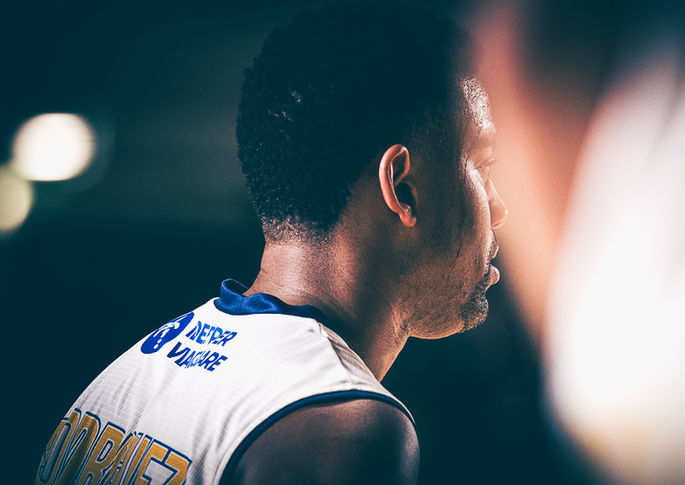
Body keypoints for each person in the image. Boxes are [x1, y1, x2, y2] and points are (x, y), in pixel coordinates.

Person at [34, 3, 507, 484]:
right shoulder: (344, 428)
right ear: (402, 188)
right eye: (483, 166)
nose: (499, 208)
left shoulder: (122, 382)